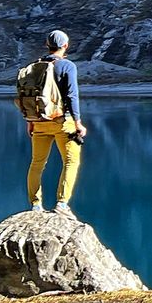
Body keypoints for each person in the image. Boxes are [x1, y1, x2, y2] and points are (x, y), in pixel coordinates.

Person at [25, 29, 88, 219]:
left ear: (47, 45)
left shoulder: (35, 66)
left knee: (37, 163)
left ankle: (35, 206)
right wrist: (78, 122)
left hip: (39, 122)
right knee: (70, 161)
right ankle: (61, 204)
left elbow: (30, 97)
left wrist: (30, 121)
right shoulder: (67, 66)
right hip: (63, 122)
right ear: (66, 46)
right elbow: (72, 95)